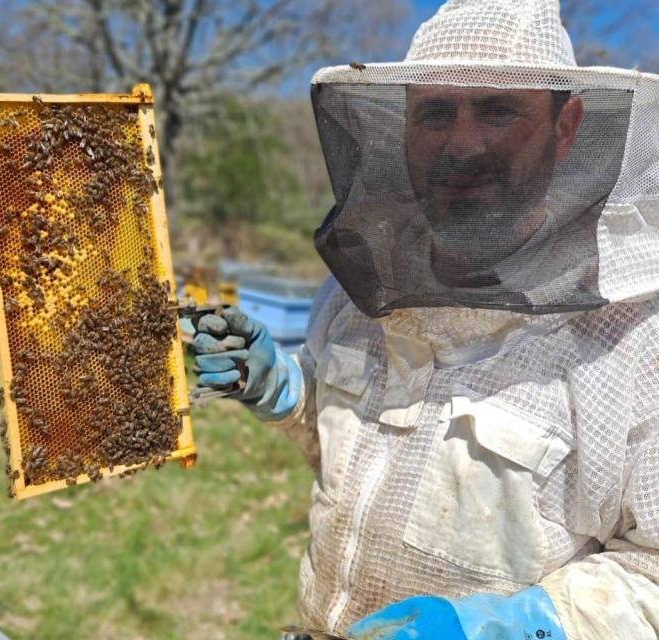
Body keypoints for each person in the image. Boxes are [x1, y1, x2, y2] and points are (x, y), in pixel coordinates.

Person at [194, 1, 659, 638]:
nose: (462, 143)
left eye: (498, 109)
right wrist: (285, 390)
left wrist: (513, 626)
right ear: (404, 123)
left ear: (566, 125)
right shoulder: (361, 288)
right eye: (436, 111)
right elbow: (361, 449)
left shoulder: (634, 340)